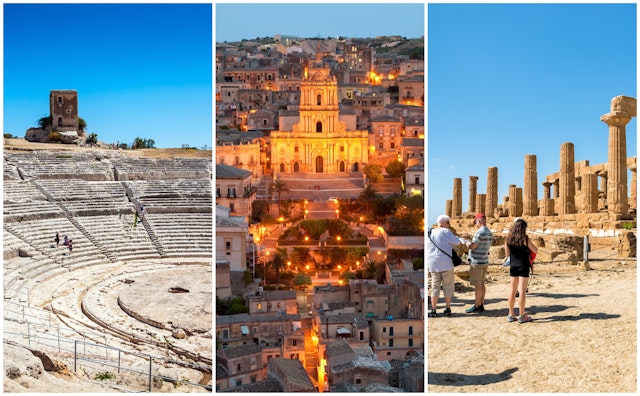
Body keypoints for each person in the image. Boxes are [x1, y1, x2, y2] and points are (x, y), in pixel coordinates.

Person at [427, 214, 464, 317]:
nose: (449, 225)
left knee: (435, 287)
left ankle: (433, 310)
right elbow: (457, 242)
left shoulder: (429, 233)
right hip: (446, 263)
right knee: (448, 287)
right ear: (443, 223)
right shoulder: (446, 231)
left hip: (433, 264)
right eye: (448, 223)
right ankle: (447, 308)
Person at [505, 218, 538, 323]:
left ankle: (510, 314)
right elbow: (535, 250)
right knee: (522, 290)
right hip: (523, 265)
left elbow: (507, 254)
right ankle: (522, 315)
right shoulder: (525, 239)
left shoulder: (508, 238)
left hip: (513, 265)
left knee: (512, 290)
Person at [463, 213, 493, 314]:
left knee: (477, 286)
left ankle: (477, 305)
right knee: (482, 284)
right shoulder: (489, 232)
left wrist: (466, 242)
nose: (475, 224)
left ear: (478, 221)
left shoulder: (479, 232)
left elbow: (473, 246)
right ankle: (481, 303)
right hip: (484, 260)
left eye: (476, 222)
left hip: (477, 261)